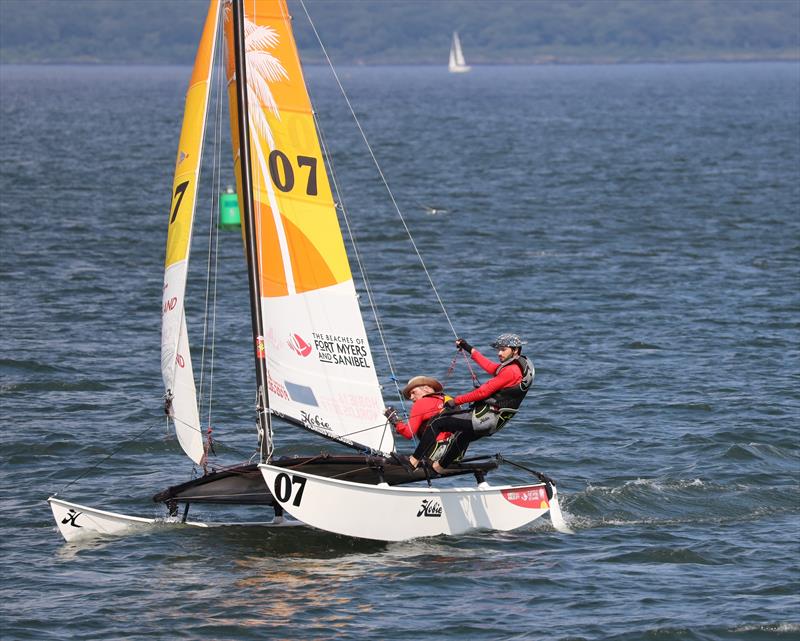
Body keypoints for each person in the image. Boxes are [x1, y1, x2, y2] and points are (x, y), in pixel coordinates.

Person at [421, 333, 534, 474]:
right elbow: (491, 367)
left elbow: (482, 393)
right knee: (463, 437)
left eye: (503, 349)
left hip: (485, 418)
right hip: (494, 421)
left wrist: (455, 401)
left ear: (515, 350)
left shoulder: (511, 371)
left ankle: (414, 462)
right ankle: (439, 467)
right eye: (498, 349)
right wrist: (469, 348)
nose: (499, 353)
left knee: (438, 422)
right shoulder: (516, 366)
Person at [384, 376, 453, 469]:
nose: (411, 397)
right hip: (454, 453)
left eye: (413, 392)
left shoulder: (421, 403)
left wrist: (394, 421)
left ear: (427, 389)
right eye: (409, 395)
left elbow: (409, 433)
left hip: (435, 454)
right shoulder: (448, 400)